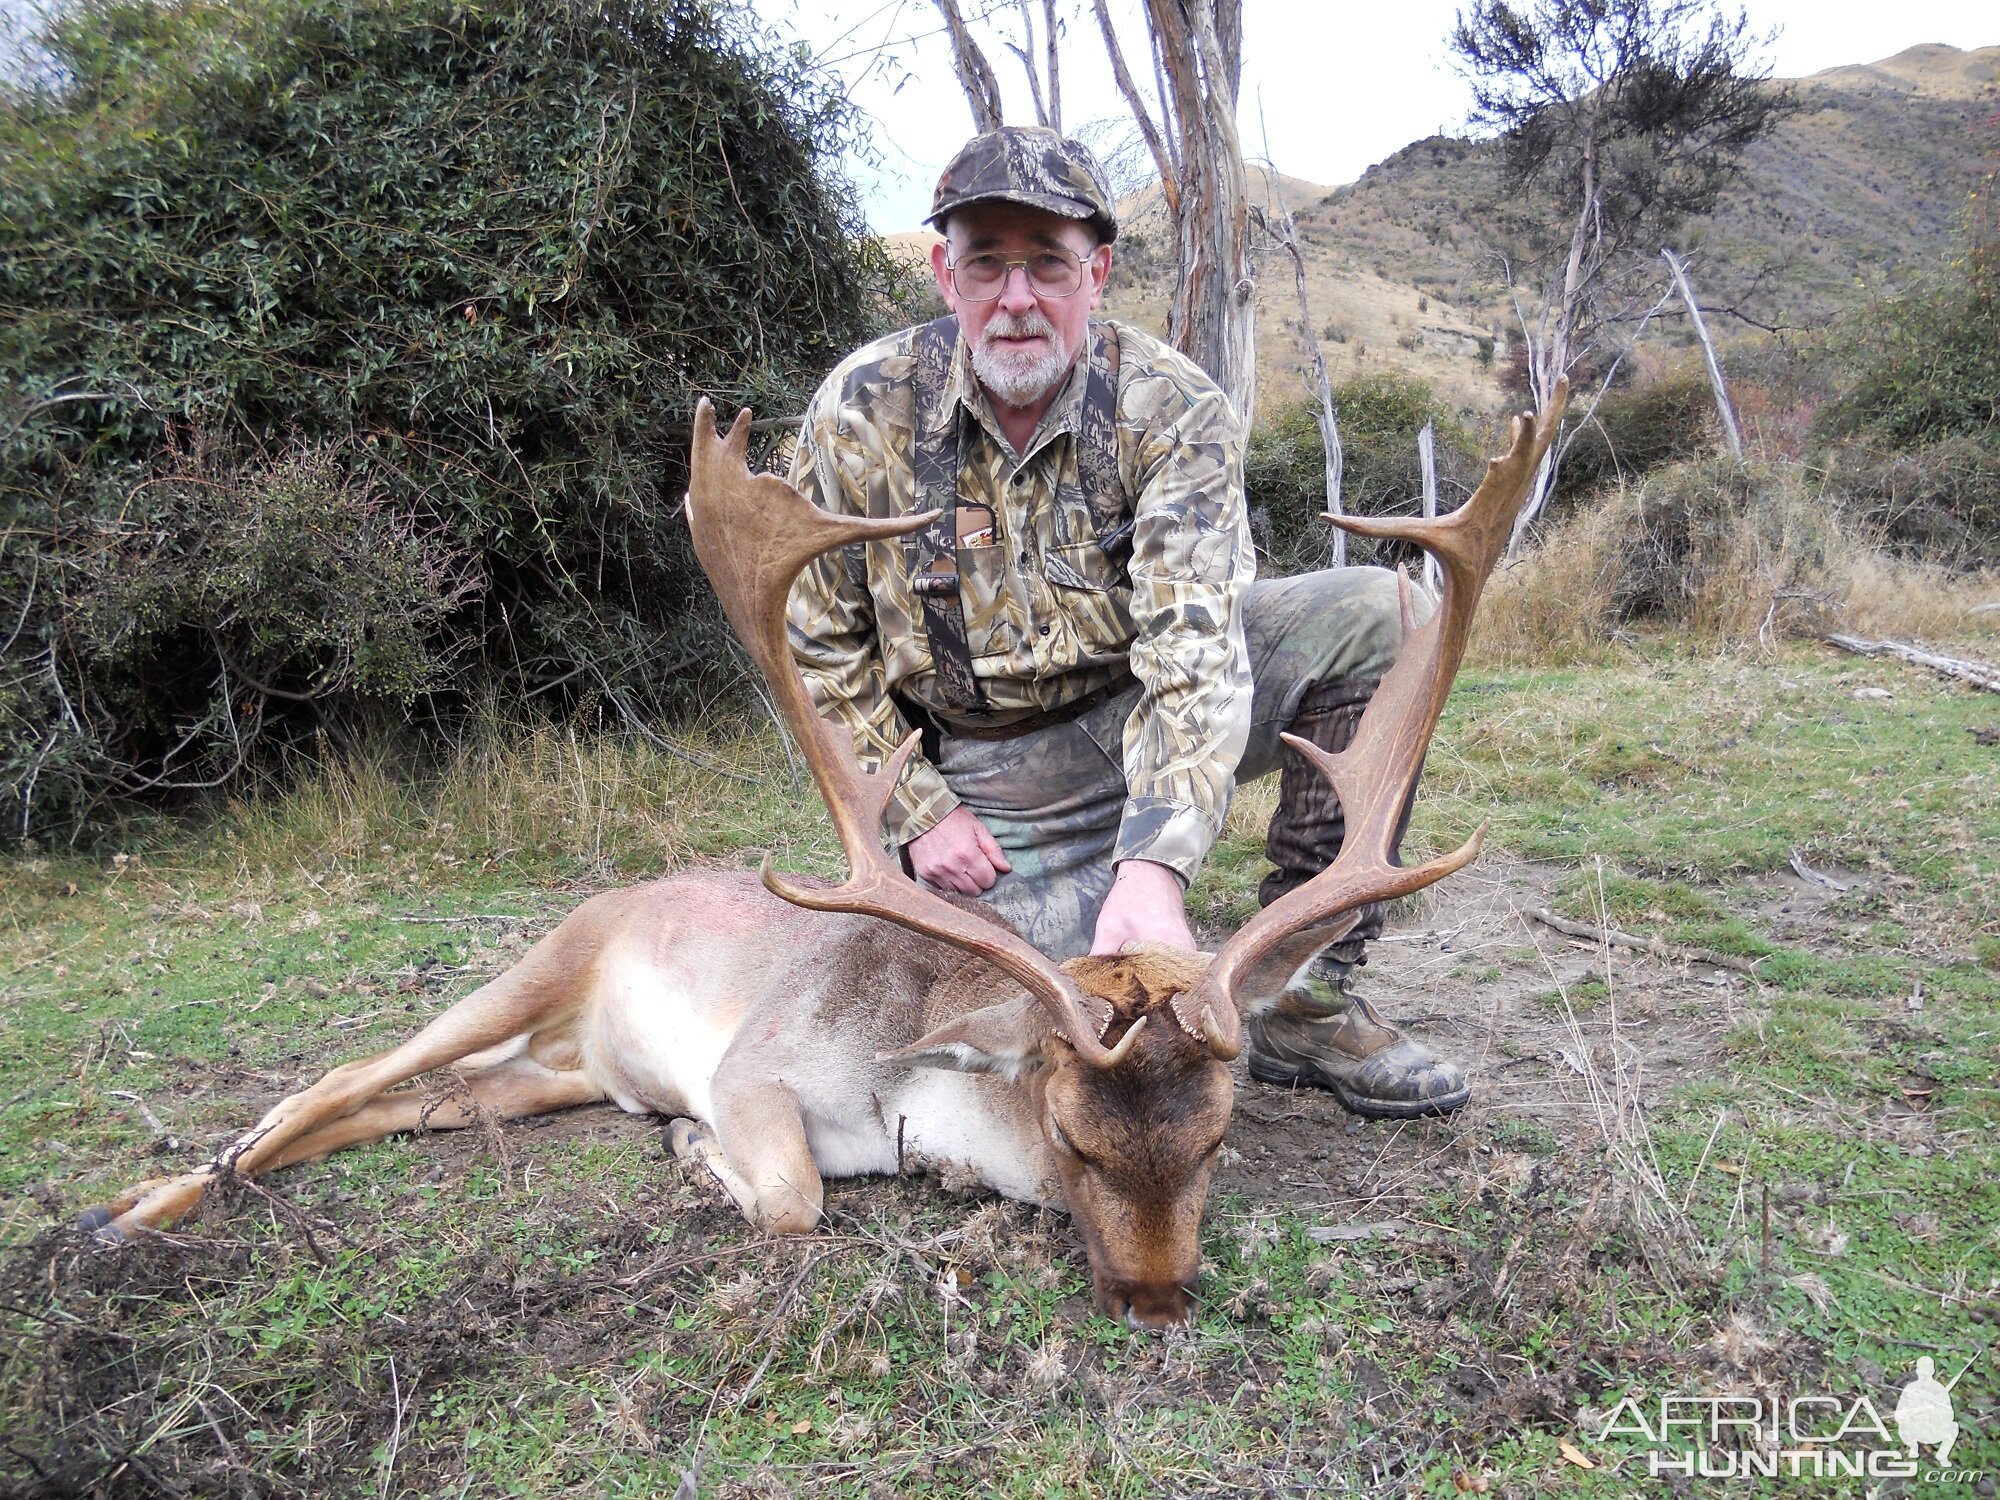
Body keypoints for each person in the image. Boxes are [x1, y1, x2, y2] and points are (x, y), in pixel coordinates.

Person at [785, 125, 1466, 1118]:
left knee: (1387, 615)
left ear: (1095, 272)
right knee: (1023, 1028)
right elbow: (819, 648)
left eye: (1047, 265)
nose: (1016, 299)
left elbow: (1193, 652)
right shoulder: (861, 410)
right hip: (987, 776)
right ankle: (1054, 901)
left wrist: (1152, 865)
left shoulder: (1170, 407)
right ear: (944, 273)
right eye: (985, 263)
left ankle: (1302, 1001)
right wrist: (918, 814)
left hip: (1139, 716)